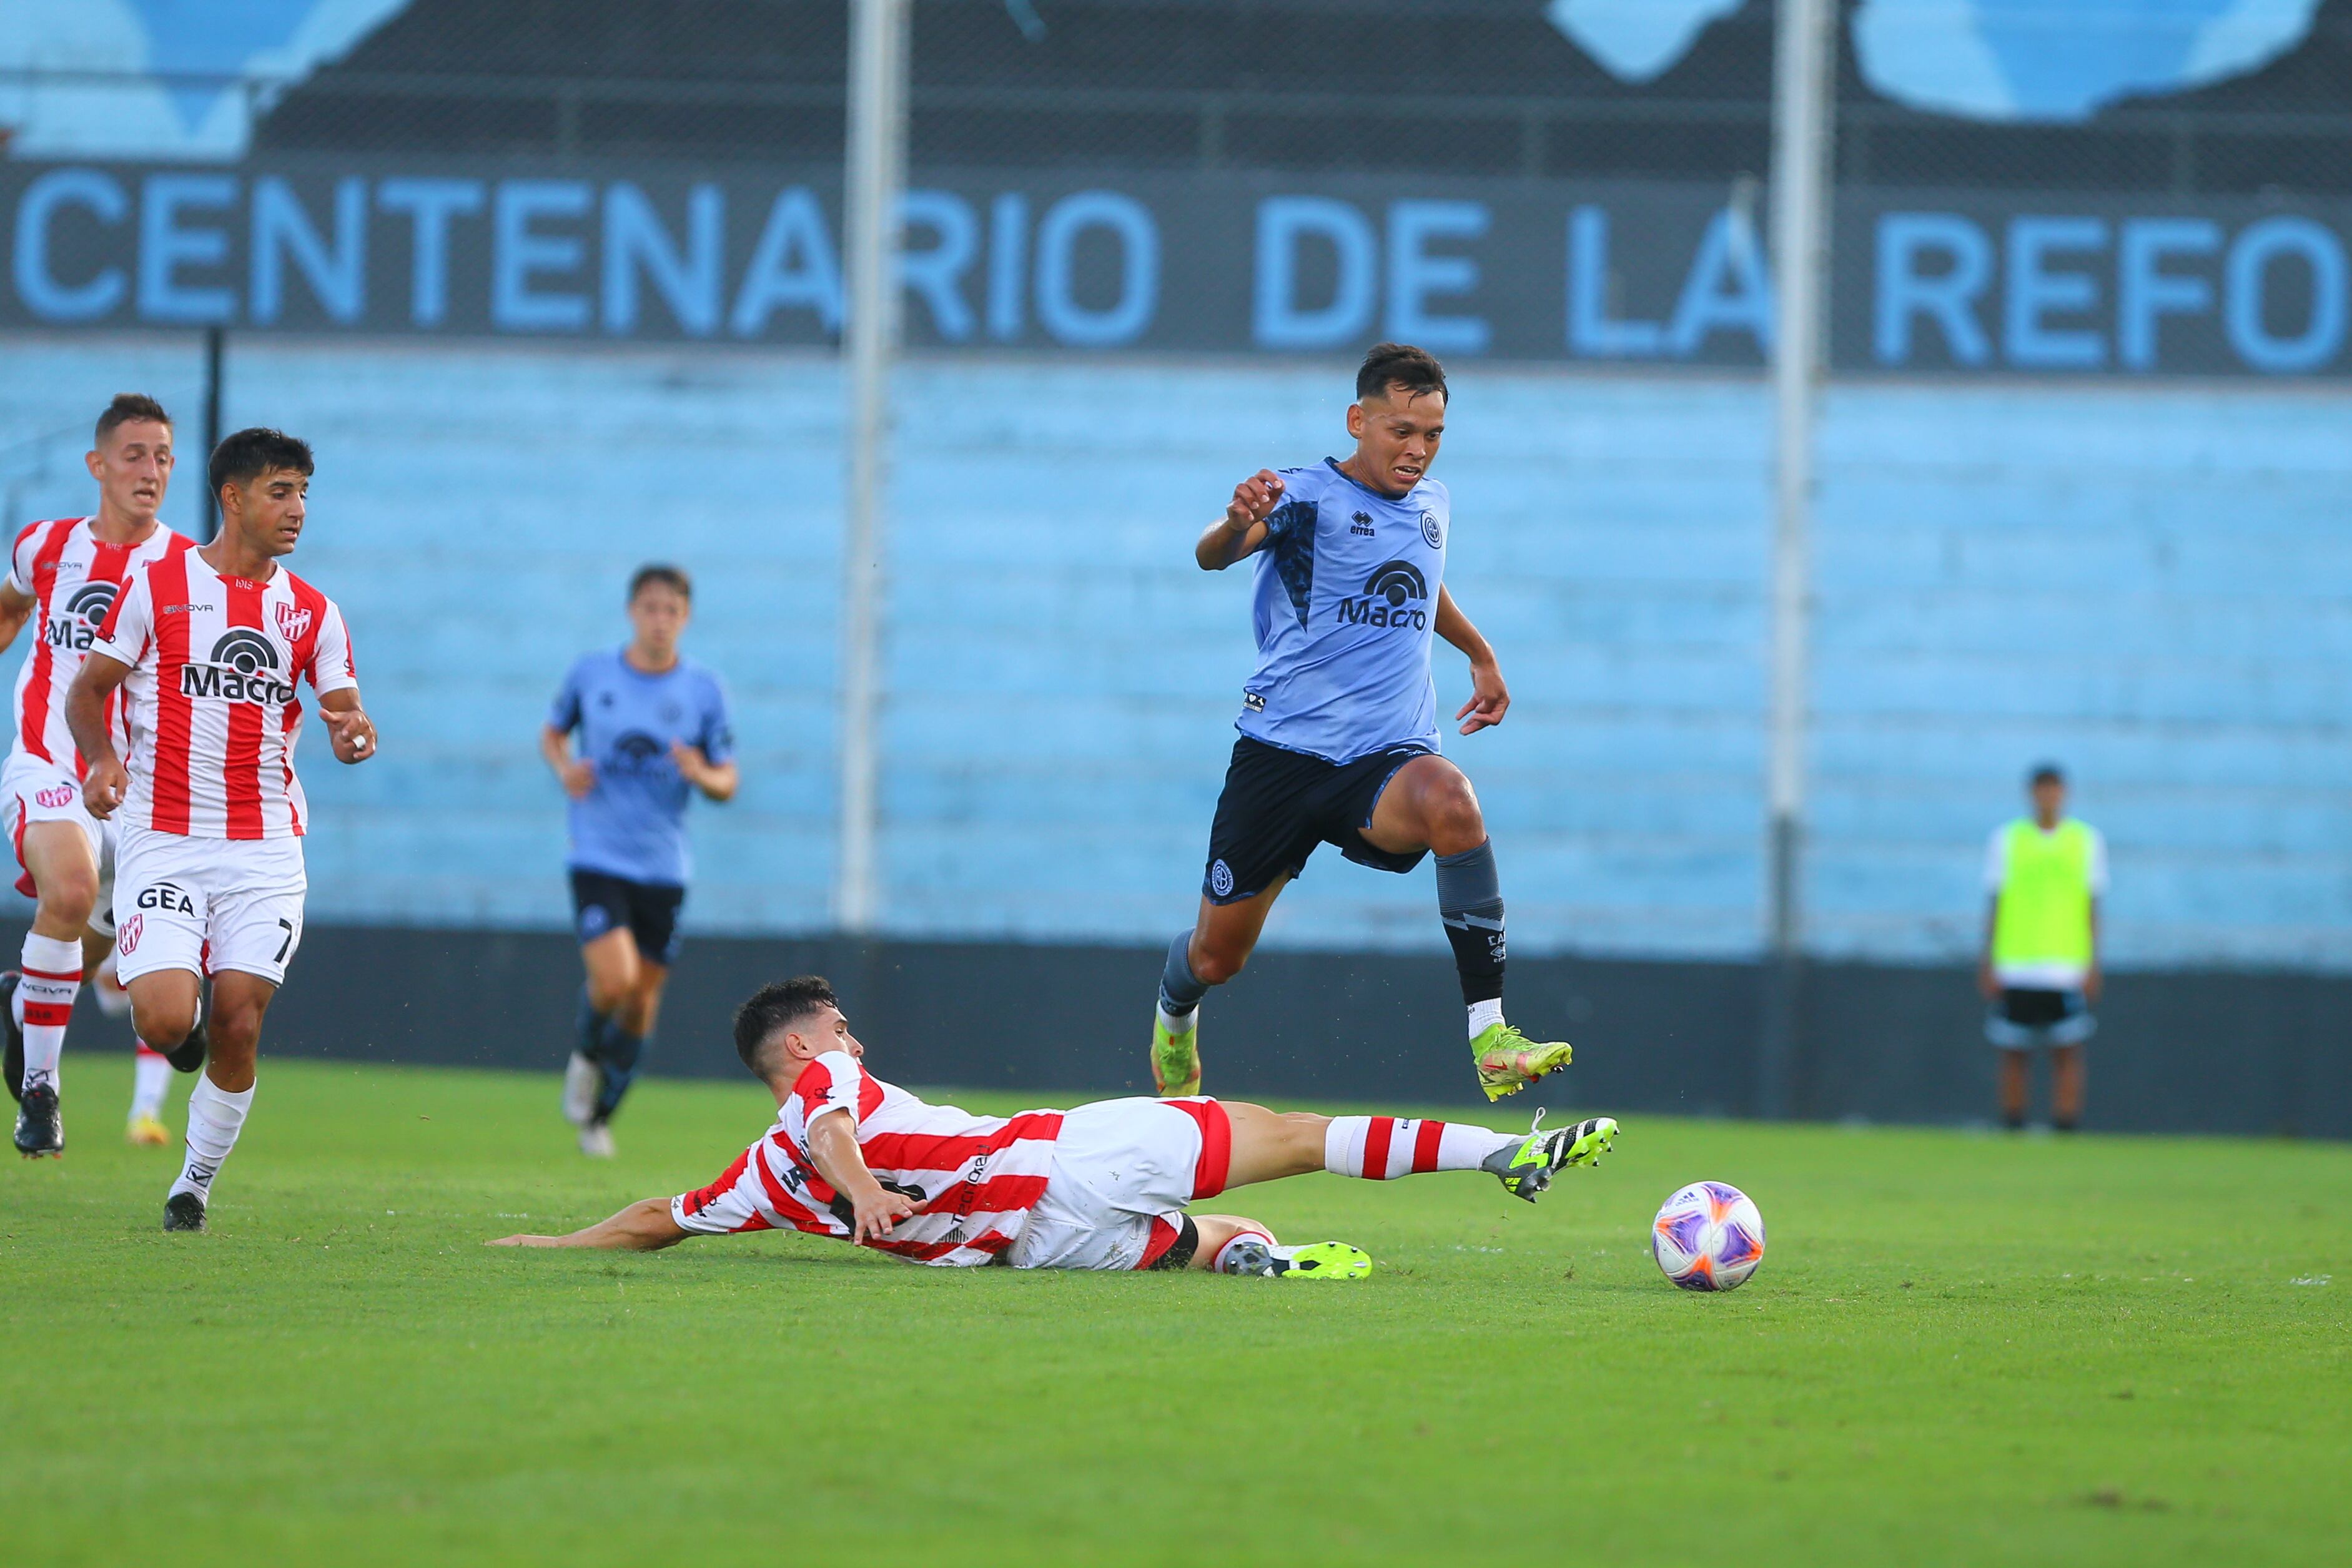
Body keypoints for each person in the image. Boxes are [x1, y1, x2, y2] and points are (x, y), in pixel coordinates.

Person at [490, 976, 1621, 1275]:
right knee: (1294, 1132)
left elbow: (661, 1218)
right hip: (1064, 1153)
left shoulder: (756, 1180)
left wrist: (553, 1246)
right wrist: (865, 1186)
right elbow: (834, 1130)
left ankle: (1245, 1260)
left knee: (1205, 1236)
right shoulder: (823, 1092)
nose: (854, 1042)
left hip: (1036, 1248)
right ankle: (1508, 1154)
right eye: (838, 1028)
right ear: (801, 1046)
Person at [1150, 343, 1571, 1104]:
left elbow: (1422, 583)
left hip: (1383, 757)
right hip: (1280, 757)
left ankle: (1491, 1036)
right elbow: (1216, 555)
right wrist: (1233, 520)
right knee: (1216, 959)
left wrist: (1480, 653)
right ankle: (1174, 1014)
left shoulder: (1433, 504)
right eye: (1401, 430)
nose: (1417, 450)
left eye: (1433, 433)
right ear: (1358, 421)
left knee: (1453, 802)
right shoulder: (1304, 497)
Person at [65, 427, 377, 1230]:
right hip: (163, 836)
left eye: (305, 491)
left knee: (239, 1019)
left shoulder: (312, 612)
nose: (298, 509)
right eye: (281, 491)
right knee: (168, 1021)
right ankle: (148, 966)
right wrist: (101, 759)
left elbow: (343, 707)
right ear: (232, 497)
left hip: (265, 850)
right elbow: (87, 692)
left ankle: (192, 1184)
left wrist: (351, 731)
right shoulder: (155, 585)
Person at [2, 393, 206, 1158]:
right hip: (48, 759)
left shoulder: (188, 569)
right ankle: (41, 1094)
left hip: (140, 789)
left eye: (162, 457)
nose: (150, 470)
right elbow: (10, 610)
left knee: (102, 945)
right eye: (134, 454)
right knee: (74, 892)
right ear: (97, 465)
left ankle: (24, 999)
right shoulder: (46, 546)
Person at [540, 565, 736, 1156]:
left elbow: (728, 779)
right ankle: (584, 1054)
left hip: (664, 865)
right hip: (598, 853)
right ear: (632, 612)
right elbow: (553, 735)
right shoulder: (592, 673)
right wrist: (565, 767)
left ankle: (600, 1115)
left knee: (642, 1000)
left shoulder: (704, 690)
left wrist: (701, 773)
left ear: (686, 617)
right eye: (650, 607)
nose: (660, 619)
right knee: (616, 978)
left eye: (671, 609)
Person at [1979, 764, 2107, 1132]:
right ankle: (2013, 1123)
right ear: (2031, 794)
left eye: (2055, 789)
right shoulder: (2007, 839)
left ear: (2065, 794)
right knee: (2013, 1053)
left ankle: (2066, 1125)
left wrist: (2093, 964)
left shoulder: (2086, 841)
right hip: (2016, 964)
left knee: (2067, 1053)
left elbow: (2092, 906)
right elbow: (1995, 903)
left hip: (2067, 966)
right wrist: (1988, 961)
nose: (2048, 797)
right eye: (2042, 789)